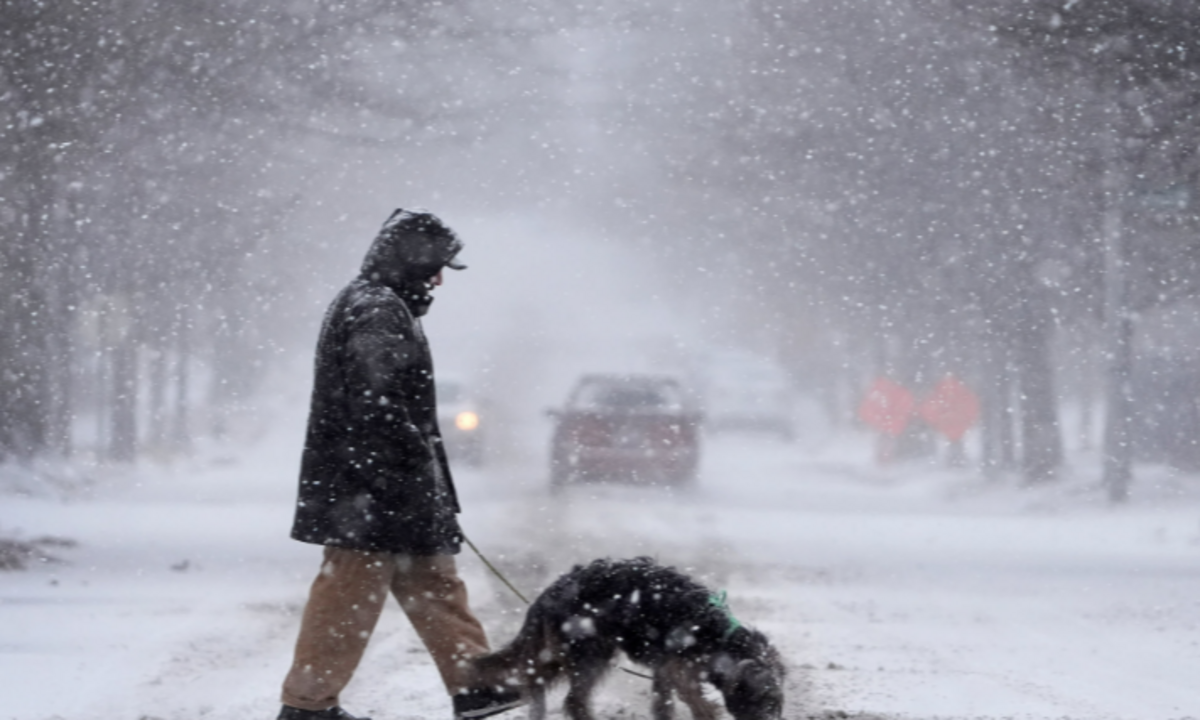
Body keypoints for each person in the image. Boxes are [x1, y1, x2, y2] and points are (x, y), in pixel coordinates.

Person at [277, 209, 522, 720]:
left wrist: (422, 481)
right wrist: (407, 467)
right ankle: (307, 707)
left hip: (387, 484)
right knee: (348, 591)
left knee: (435, 582)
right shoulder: (376, 309)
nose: (437, 279)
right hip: (369, 488)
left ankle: (476, 685)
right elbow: (376, 402)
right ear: (408, 260)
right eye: (434, 267)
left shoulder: (382, 304)